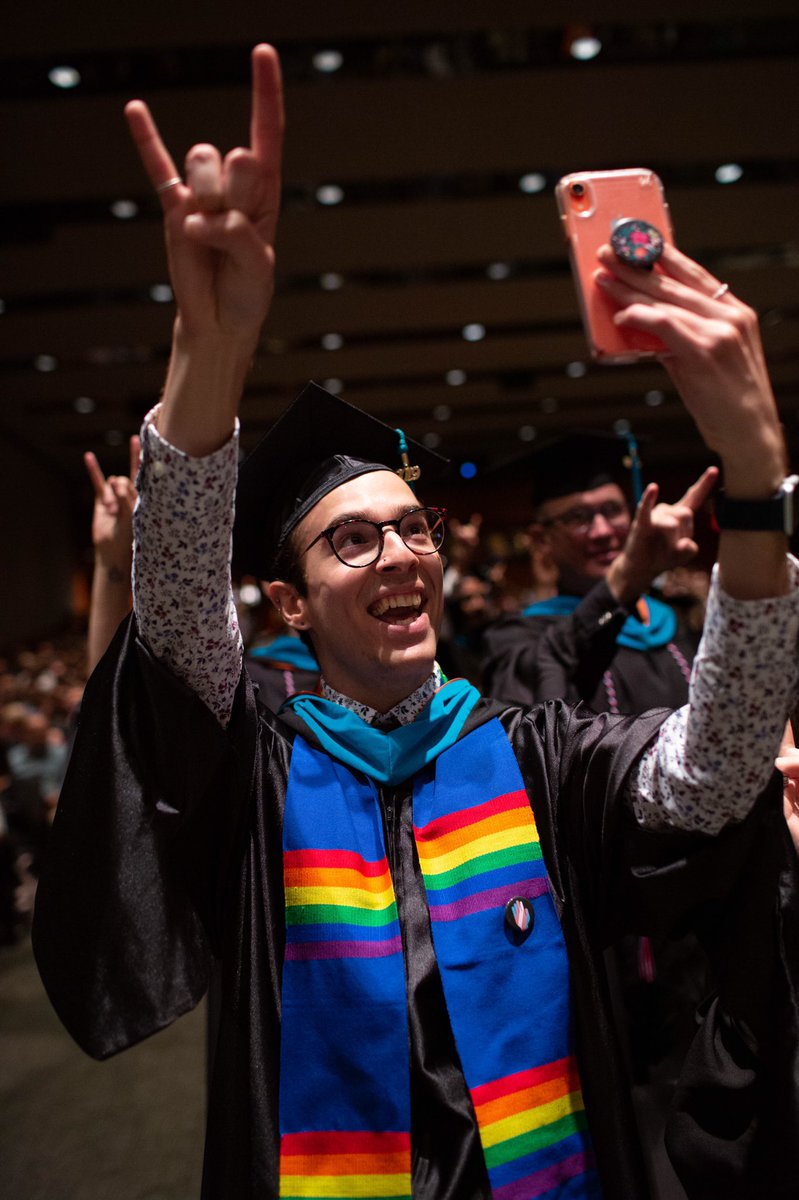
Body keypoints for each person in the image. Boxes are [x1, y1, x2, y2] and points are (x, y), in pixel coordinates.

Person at [32, 45, 799, 1200]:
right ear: (289, 604)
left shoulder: (536, 755)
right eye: (352, 539)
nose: (399, 553)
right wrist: (211, 353)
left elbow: (716, 765)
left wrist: (751, 474)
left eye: (414, 528)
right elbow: (180, 617)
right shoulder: (257, 769)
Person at [480, 433, 716, 713]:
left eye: (613, 510)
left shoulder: (674, 618)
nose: (602, 531)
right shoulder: (519, 639)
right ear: (541, 540)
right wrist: (625, 580)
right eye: (578, 517)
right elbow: (533, 726)